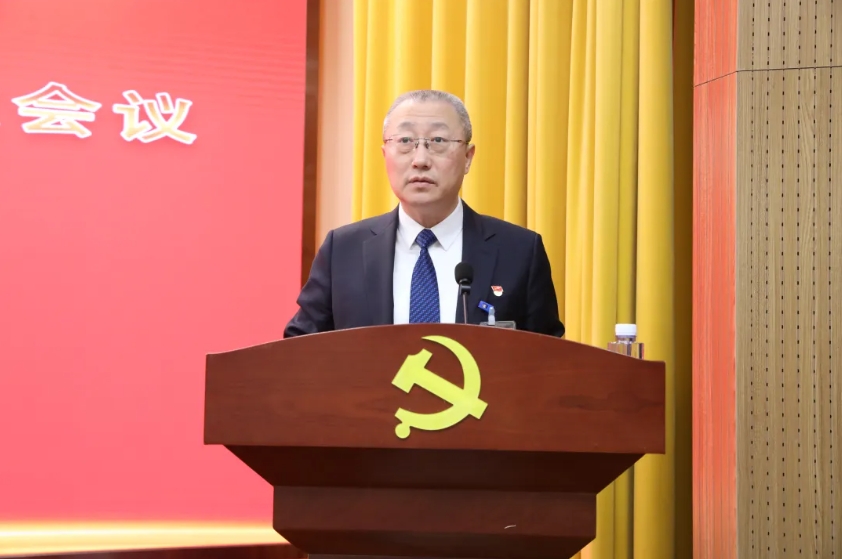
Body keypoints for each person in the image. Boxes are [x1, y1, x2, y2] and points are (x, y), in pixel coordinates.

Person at [283, 89, 565, 338]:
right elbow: (298, 352)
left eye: (438, 140)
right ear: (385, 155)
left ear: (468, 158)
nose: (420, 160)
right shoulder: (343, 251)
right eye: (405, 141)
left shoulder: (519, 252)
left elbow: (551, 362)